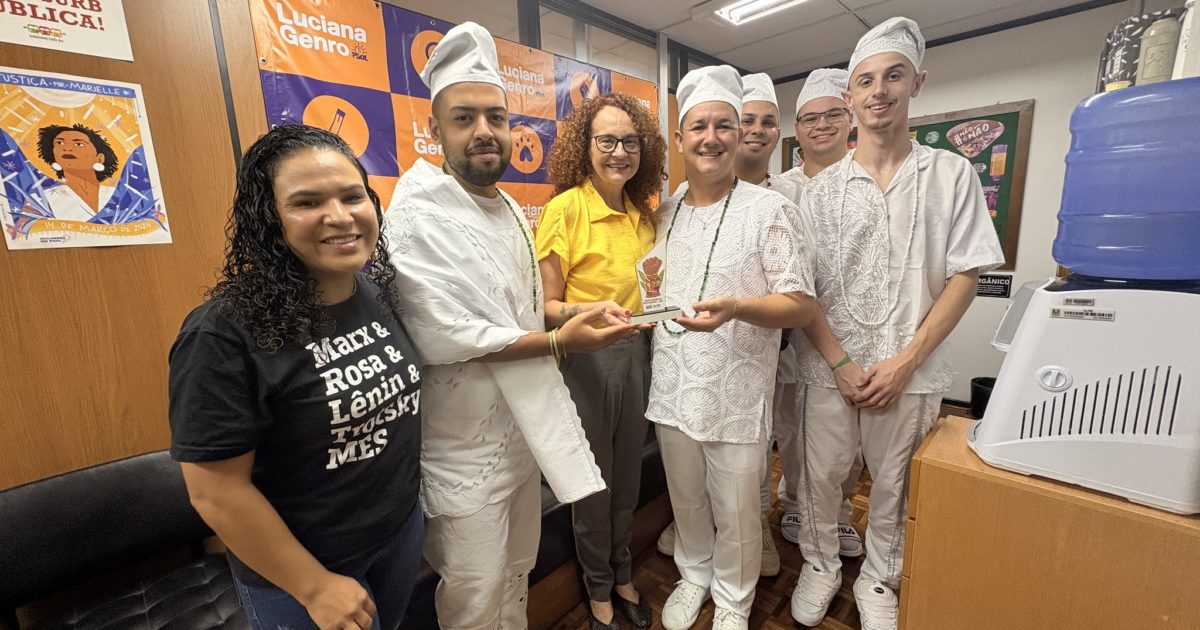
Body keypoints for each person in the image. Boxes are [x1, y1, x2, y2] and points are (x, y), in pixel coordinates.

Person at [381, 22, 638, 630]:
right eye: (464, 118)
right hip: (463, 452)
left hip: (522, 438)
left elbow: (521, 308)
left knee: (516, 573)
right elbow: (447, 332)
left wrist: (578, 312)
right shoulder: (417, 214)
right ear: (436, 128)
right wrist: (558, 339)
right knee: (473, 592)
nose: (483, 132)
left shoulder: (504, 210)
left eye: (495, 117)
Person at [789, 18, 1005, 630]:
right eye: (866, 81)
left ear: (917, 83)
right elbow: (801, 291)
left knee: (894, 486)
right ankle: (822, 564)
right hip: (829, 367)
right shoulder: (818, 193)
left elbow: (966, 274)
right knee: (820, 479)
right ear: (850, 97)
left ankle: (881, 578)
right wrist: (841, 362)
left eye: (893, 76)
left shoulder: (951, 175)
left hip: (909, 369)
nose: (879, 90)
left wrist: (906, 358)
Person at [168, 124, 423, 630]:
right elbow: (215, 492)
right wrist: (314, 586)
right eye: (306, 203)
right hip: (303, 575)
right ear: (269, 220)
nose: (339, 216)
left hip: (396, 535)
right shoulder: (221, 334)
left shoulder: (370, 292)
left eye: (353, 196)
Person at [650, 64, 816, 630]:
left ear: (737, 134)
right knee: (687, 500)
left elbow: (799, 303)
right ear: (680, 138)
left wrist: (738, 307)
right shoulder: (665, 211)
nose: (711, 137)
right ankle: (694, 573)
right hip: (672, 385)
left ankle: (733, 598)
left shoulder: (770, 210)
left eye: (724, 125)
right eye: (698, 126)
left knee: (740, 508)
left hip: (738, 391)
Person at [536, 93, 665, 630]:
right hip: (586, 359)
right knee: (594, 482)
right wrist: (594, 309)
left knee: (629, 476)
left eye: (629, 142)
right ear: (584, 147)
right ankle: (597, 588)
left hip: (639, 353)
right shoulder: (564, 210)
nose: (618, 152)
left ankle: (622, 569)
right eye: (606, 141)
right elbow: (546, 310)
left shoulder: (644, 215)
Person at [775, 68, 867, 561]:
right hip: (794, 339)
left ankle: (842, 513)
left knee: (848, 443)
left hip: (853, 336)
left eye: (833, 114)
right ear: (797, 128)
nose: (822, 125)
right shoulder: (780, 189)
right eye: (810, 118)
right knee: (791, 430)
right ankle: (794, 501)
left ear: (850, 117)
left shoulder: (867, 179)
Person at [35, 123, 119, 221]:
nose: (67, 148)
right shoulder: (43, 199)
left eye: (79, 144)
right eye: (59, 143)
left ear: (99, 158)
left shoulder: (115, 194)